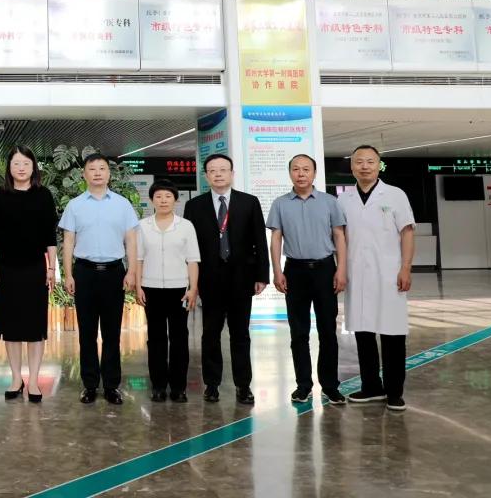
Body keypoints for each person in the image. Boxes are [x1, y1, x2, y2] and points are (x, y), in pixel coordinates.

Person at [184, 154, 269, 405]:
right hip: (209, 279)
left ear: (232, 173)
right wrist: (192, 282)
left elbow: (259, 241)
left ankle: (243, 385)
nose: (218, 174)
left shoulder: (249, 202)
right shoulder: (195, 206)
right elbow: (190, 248)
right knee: (210, 333)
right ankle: (212, 384)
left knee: (240, 333)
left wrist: (262, 275)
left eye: (223, 170)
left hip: (242, 278)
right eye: (213, 170)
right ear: (206, 175)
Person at [339, 145, 415, 412]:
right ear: (352, 167)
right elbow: (339, 237)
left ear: (378, 165)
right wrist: (340, 269)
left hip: (389, 273)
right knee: (363, 332)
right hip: (357, 274)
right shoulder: (344, 200)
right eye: (359, 162)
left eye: (370, 162)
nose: (364, 166)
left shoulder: (395, 195)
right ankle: (371, 386)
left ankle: (394, 392)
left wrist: (406, 268)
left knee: (393, 333)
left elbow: (407, 232)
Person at [268, 154, 348, 405]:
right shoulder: (280, 204)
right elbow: (276, 239)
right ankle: (303, 385)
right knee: (298, 332)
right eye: (296, 169)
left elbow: (339, 236)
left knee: (328, 331)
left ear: (314, 173)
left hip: (325, 270)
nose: (301, 173)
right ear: (290, 173)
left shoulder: (330, 202)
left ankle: (330, 386)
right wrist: (277, 271)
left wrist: (341, 269)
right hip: (295, 271)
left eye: (306, 169)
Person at [59, 153, 139, 406]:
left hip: (114, 273)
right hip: (84, 272)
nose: (97, 173)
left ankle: (112, 386)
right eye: (92, 169)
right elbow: (68, 242)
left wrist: (132, 271)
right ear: (84, 175)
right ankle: (90, 385)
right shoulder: (75, 206)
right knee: (87, 333)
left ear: (109, 174)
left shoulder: (122, 204)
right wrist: (68, 274)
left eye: (102, 168)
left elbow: (131, 240)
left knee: (112, 332)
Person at [0, 146, 57, 403]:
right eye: (16, 163)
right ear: (9, 167)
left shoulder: (43, 195)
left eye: (26, 163)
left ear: (33, 167)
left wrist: (52, 268)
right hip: (7, 268)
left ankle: (34, 381)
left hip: (35, 268)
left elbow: (50, 237)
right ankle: (16, 378)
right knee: (12, 326)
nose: (21, 168)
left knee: (35, 326)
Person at [133, 179, 199, 403]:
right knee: (156, 338)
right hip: (151, 288)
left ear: (176, 200)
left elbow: (192, 260)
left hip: (179, 289)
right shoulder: (142, 226)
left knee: (180, 338)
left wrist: (193, 288)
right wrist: (138, 286)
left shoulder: (186, 226)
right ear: (152, 200)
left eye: (168, 196)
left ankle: (179, 387)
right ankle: (158, 386)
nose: (163, 200)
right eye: (159, 196)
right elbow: (138, 259)